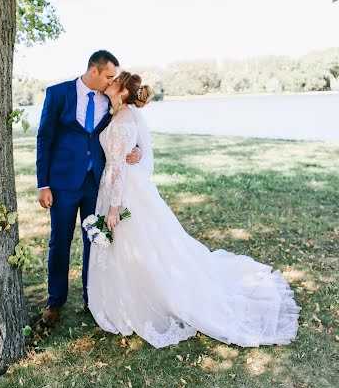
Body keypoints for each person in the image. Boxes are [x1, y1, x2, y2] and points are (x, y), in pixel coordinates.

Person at [88, 72, 300, 348]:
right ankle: (124, 297)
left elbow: (118, 166)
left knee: (135, 240)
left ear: (123, 92)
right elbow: (125, 154)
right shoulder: (119, 114)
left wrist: (114, 207)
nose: (110, 81)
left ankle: (139, 302)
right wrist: (134, 153)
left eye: (115, 80)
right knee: (140, 244)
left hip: (123, 191)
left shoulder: (123, 119)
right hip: (122, 186)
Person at [36, 51, 141, 325]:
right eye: (108, 75)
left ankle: (91, 296)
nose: (111, 81)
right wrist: (43, 183)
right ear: (93, 71)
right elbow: (44, 138)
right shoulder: (58, 94)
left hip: (96, 183)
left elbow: (126, 127)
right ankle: (55, 301)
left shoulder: (110, 98)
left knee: (95, 241)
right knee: (59, 241)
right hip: (62, 183)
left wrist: (137, 150)